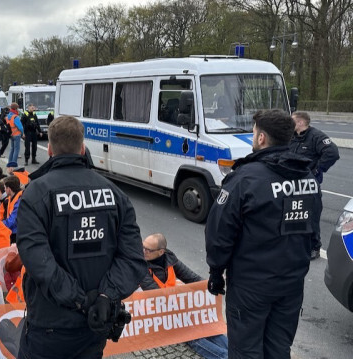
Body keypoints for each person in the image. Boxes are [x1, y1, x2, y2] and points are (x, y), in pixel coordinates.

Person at [16, 115, 146, 359]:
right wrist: (105, 297)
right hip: (96, 321)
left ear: (50, 149)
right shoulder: (115, 194)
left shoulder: (36, 193)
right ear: (83, 147)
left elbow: (38, 262)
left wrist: (80, 300)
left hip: (51, 323)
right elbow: (132, 258)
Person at [205, 109, 322, 358]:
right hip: (291, 285)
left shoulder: (245, 178)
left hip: (251, 287)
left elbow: (219, 234)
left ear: (261, 139)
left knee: (246, 351)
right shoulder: (308, 176)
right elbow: (312, 229)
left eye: (254, 132)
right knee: (279, 348)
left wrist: (216, 271)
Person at [140, 233, 228, 359]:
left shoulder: (170, 259)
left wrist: (210, 284)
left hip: (173, 308)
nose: (143, 251)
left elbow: (192, 278)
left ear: (161, 252)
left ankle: (237, 353)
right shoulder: (141, 266)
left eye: (148, 249)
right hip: (155, 315)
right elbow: (156, 294)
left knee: (207, 326)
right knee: (192, 336)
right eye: (143, 247)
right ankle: (226, 356)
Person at [289, 111, 340, 259]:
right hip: (291, 183)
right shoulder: (291, 137)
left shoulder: (316, 136)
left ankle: (314, 247)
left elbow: (332, 153)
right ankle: (296, 244)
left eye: (292, 121)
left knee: (311, 215)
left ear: (300, 122)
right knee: (293, 215)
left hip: (309, 184)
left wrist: (317, 169)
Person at [1, 176, 22, 242]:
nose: (4, 190)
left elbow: (12, 221)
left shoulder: (19, 201)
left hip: (17, 233)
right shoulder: (12, 197)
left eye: (4, 188)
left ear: (9, 189)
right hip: (13, 229)